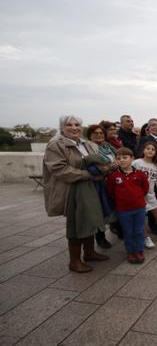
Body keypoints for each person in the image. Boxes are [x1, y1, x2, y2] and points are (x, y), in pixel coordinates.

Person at [43, 115, 109, 273]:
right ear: (62, 128)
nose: (74, 128)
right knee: (75, 225)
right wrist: (88, 175)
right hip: (72, 190)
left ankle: (89, 252)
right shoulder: (56, 145)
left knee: (90, 220)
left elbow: (101, 161)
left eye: (77, 124)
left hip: (92, 188)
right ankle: (74, 261)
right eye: (69, 125)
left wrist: (105, 168)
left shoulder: (88, 144)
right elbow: (59, 169)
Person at [107, 148, 149, 264]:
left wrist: (137, 197)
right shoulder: (114, 176)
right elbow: (111, 192)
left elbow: (145, 188)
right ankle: (130, 252)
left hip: (139, 208)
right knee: (128, 231)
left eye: (125, 157)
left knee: (139, 230)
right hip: (123, 210)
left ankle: (139, 250)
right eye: (119, 158)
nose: (122, 160)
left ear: (132, 159)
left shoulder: (140, 174)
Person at [86, 124, 118, 248]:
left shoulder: (107, 146)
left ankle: (116, 228)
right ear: (89, 135)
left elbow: (118, 156)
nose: (99, 135)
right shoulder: (89, 147)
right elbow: (94, 166)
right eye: (95, 133)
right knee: (100, 211)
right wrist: (111, 166)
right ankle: (100, 238)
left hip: (111, 180)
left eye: (101, 133)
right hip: (98, 183)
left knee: (112, 207)